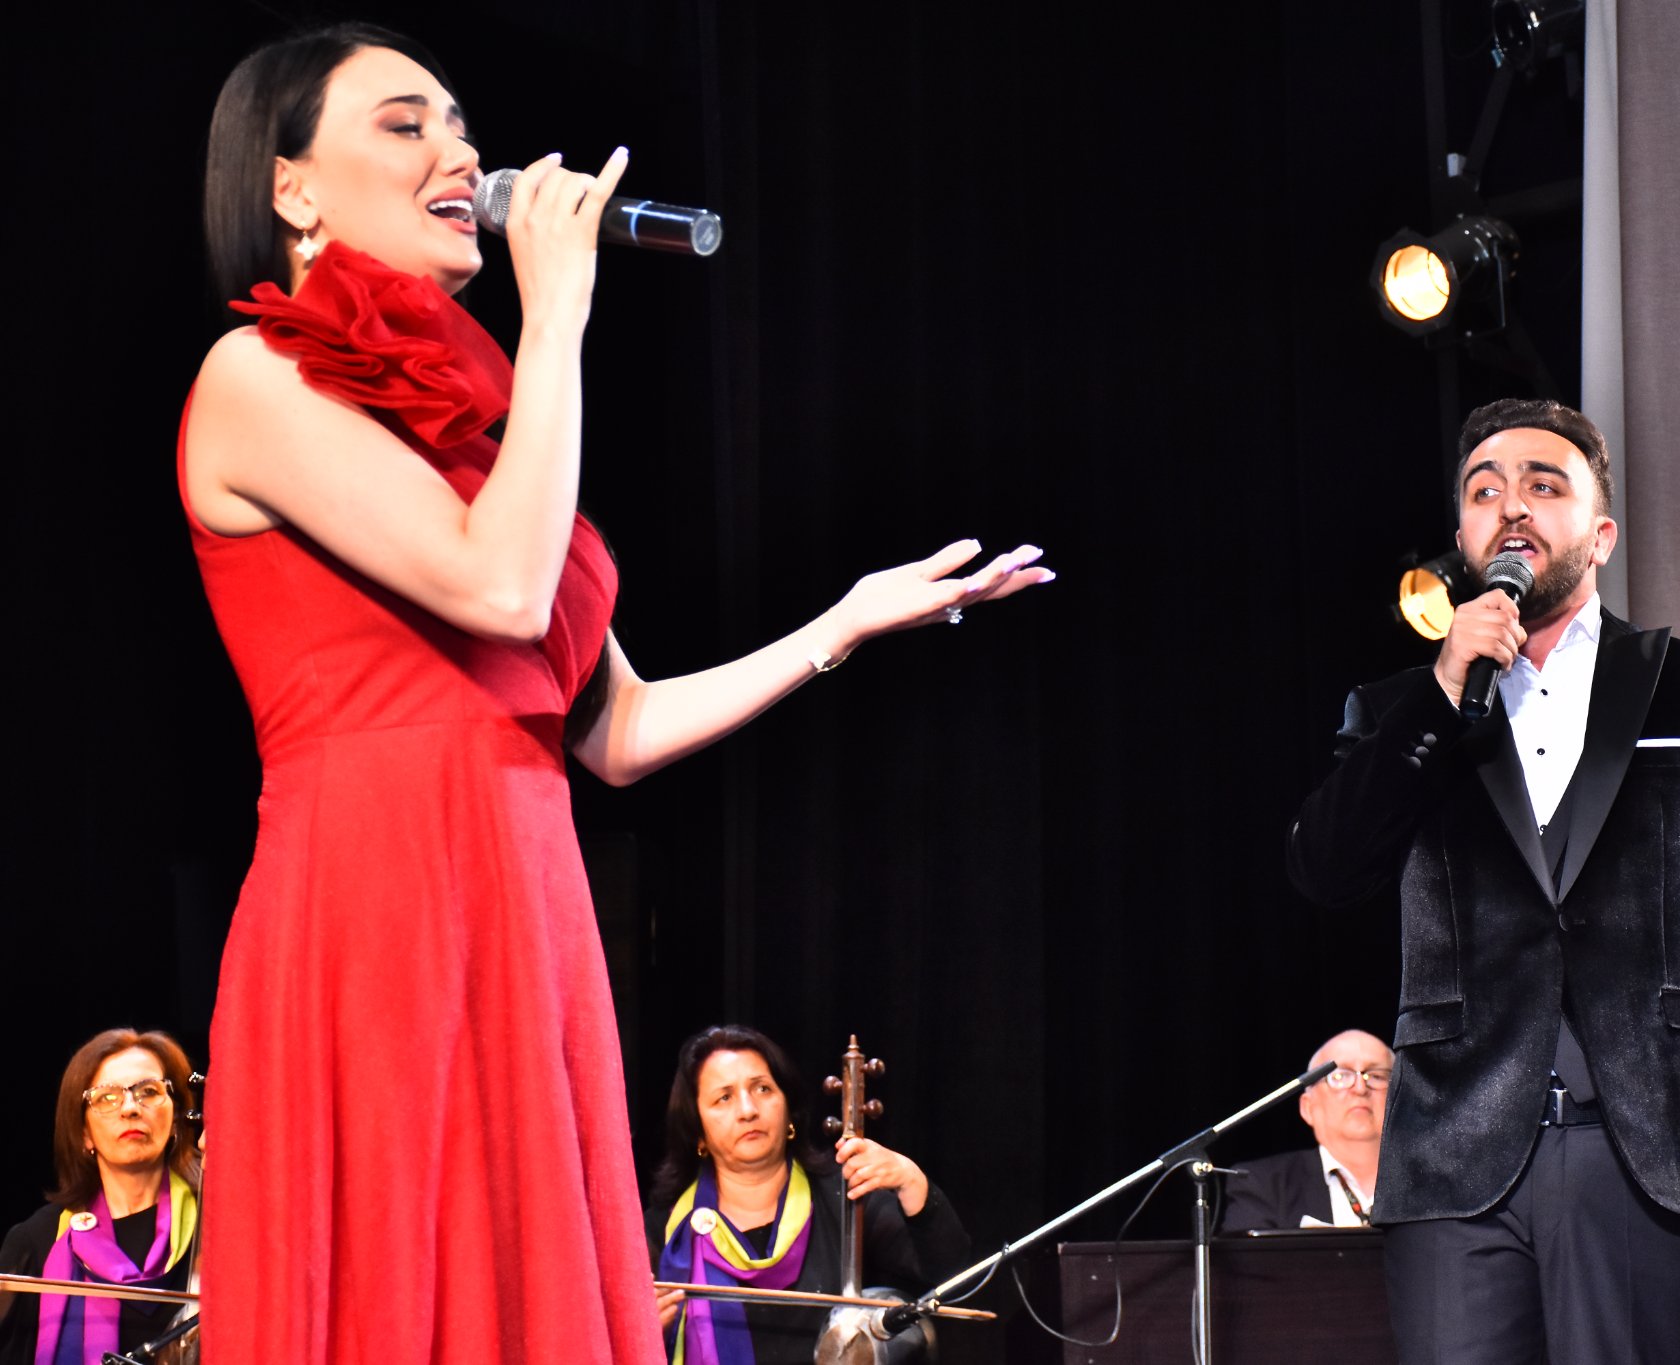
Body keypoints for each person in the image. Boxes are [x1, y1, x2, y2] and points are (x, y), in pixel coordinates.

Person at [181, 26, 1048, 1365]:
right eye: (406, 125)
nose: (462, 152)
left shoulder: (480, 434)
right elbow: (501, 590)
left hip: (524, 899)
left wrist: (839, 627)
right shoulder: (254, 378)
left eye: (459, 124)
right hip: (372, 902)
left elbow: (618, 730)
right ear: (291, 187)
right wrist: (559, 317)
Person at [1287, 398, 1680, 1363]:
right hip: (1454, 1155)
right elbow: (1326, 868)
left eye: (1542, 484)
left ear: (1600, 535)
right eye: (1485, 491)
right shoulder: (1402, 707)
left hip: (1651, 1146)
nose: (1511, 506)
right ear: (1463, 541)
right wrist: (1440, 694)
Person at [645, 1026, 970, 1365]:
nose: (748, 1110)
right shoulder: (663, 1230)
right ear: (697, 1130)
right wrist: (641, 1331)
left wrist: (912, 1181)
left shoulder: (846, 1198)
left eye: (762, 1089)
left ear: (789, 1110)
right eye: (723, 1098)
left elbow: (951, 1276)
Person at [0, 1030, 202, 1365]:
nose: (130, 1108)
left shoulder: (217, 1225)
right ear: (83, 1133)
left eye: (149, 1092)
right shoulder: (36, 1242)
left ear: (177, 1118)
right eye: (107, 1097)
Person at [1219, 1029, 1391, 1232]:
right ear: (1308, 1107)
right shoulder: (1264, 1184)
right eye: (1340, 1076)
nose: (1360, 1088)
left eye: (1376, 1076)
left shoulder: (1425, 1180)